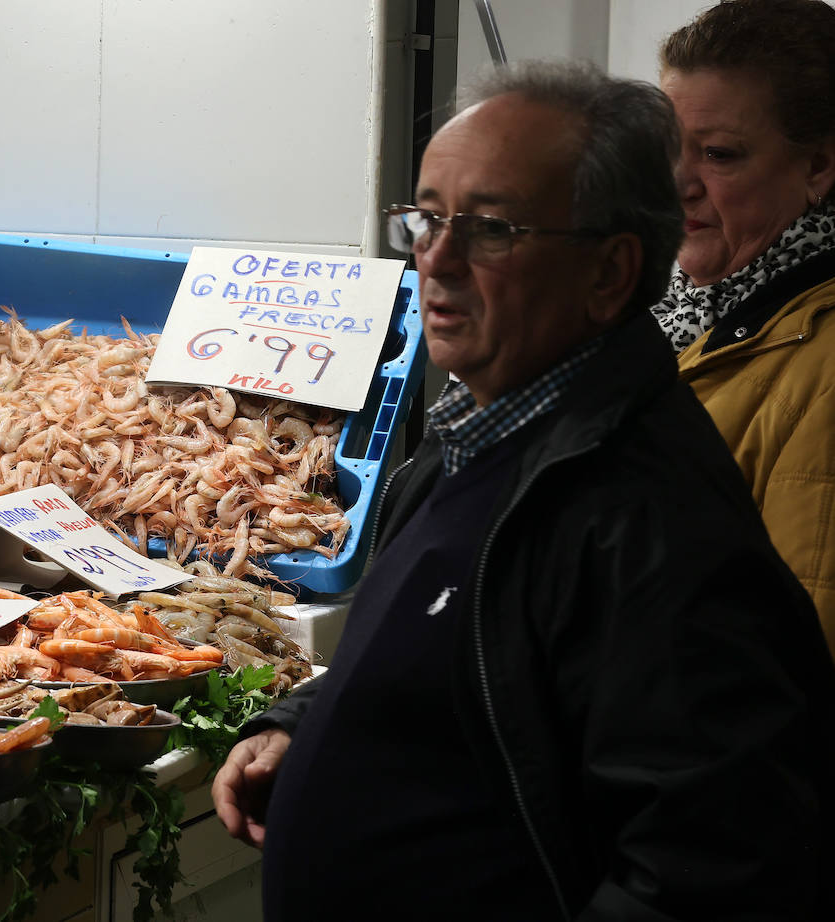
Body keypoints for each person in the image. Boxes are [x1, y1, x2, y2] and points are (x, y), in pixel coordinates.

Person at [212, 60, 835, 921]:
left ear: (610, 273)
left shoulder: (645, 519)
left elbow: (712, 864)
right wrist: (302, 722)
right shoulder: (473, 437)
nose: (438, 258)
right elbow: (452, 661)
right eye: (426, 219)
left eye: (493, 229)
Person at [654, 0, 835, 651]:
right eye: (668, 148)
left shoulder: (824, 369)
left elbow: (796, 669)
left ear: (818, 167)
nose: (678, 182)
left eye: (719, 155)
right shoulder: (659, 310)